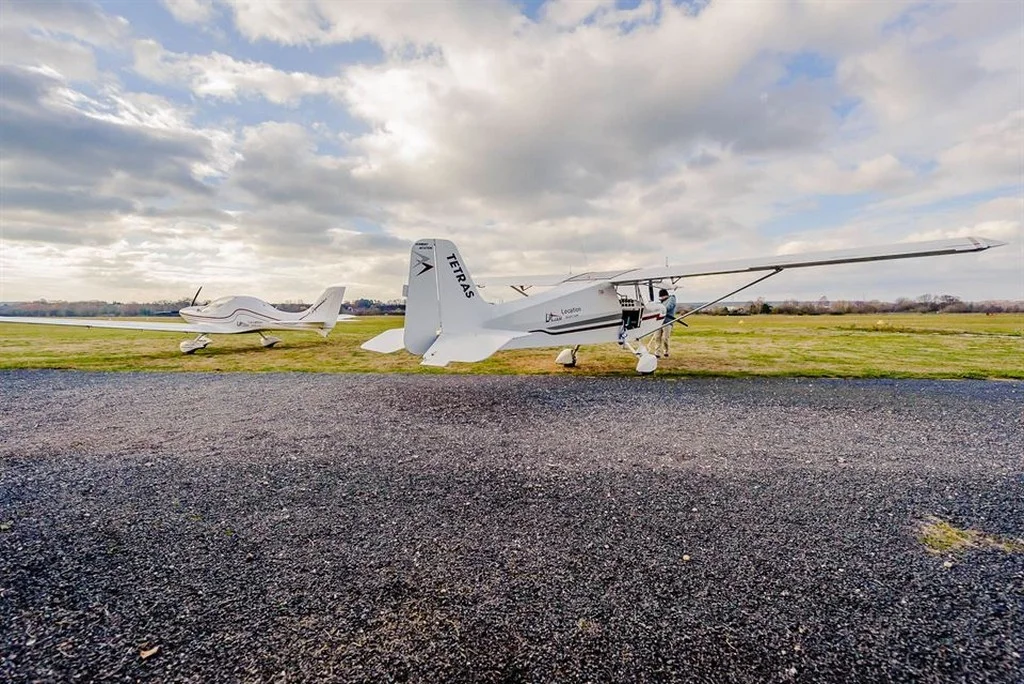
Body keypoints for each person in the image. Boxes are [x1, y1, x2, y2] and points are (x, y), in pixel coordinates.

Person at [650, 288, 677, 358]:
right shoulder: (660, 302)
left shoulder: (672, 299)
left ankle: (666, 351)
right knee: (657, 337)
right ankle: (657, 353)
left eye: (662, 296)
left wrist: (660, 309)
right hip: (658, 322)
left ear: (666, 295)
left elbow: (668, 307)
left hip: (667, 322)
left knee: (665, 338)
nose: (661, 298)